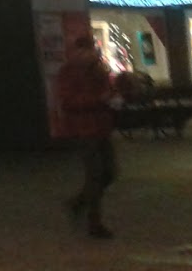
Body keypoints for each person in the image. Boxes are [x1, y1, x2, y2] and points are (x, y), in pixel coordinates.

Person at [57, 34, 118, 239]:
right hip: (84, 128)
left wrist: (112, 96)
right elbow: (68, 101)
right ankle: (94, 222)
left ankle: (79, 203)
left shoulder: (98, 69)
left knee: (109, 172)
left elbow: (107, 91)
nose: (90, 53)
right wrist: (98, 99)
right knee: (95, 174)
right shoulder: (69, 71)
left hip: (101, 126)